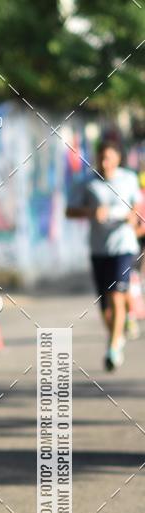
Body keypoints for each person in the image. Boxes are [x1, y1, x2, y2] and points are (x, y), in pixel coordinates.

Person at [66, 140, 141, 371]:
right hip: (99, 250)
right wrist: (91, 211)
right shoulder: (88, 183)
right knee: (105, 306)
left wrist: (132, 217)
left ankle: (113, 348)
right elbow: (69, 210)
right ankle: (117, 335)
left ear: (118, 158)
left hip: (123, 247)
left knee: (117, 295)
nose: (105, 163)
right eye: (102, 158)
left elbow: (137, 208)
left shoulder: (128, 179)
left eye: (109, 158)